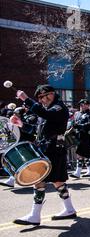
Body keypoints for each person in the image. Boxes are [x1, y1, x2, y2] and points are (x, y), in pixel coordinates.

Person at [11, 84, 77, 225]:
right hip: (47, 148)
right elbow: (38, 132)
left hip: (54, 148)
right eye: (40, 97)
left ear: (53, 94)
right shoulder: (47, 110)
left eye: (45, 96)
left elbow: (46, 114)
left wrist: (26, 99)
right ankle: (69, 209)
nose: (42, 99)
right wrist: (21, 124)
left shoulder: (59, 107)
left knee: (39, 180)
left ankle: (35, 216)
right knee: (57, 181)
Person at [0, 104, 38, 188]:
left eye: (26, 106)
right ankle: (12, 179)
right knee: (19, 161)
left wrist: (19, 120)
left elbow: (29, 127)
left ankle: (13, 179)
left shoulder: (32, 117)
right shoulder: (21, 117)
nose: (15, 115)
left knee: (27, 161)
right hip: (18, 141)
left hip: (27, 141)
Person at [69, 99, 90, 178]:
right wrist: (73, 126)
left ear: (88, 105)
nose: (81, 106)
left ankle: (78, 172)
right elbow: (75, 123)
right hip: (79, 136)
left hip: (86, 136)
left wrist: (80, 126)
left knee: (80, 154)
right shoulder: (78, 114)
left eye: (83, 104)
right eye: (80, 105)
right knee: (84, 154)